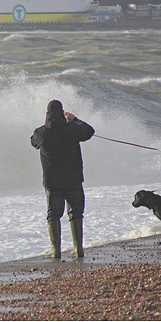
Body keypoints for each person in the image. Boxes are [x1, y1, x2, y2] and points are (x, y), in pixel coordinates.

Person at [31, 100, 95, 258]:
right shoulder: (73, 129)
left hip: (53, 182)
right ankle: (78, 248)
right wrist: (74, 119)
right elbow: (89, 131)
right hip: (73, 179)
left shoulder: (41, 132)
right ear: (62, 113)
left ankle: (56, 249)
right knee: (76, 212)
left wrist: (45, 124)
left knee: (53, 213)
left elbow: (33, 142)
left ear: (47, 114)